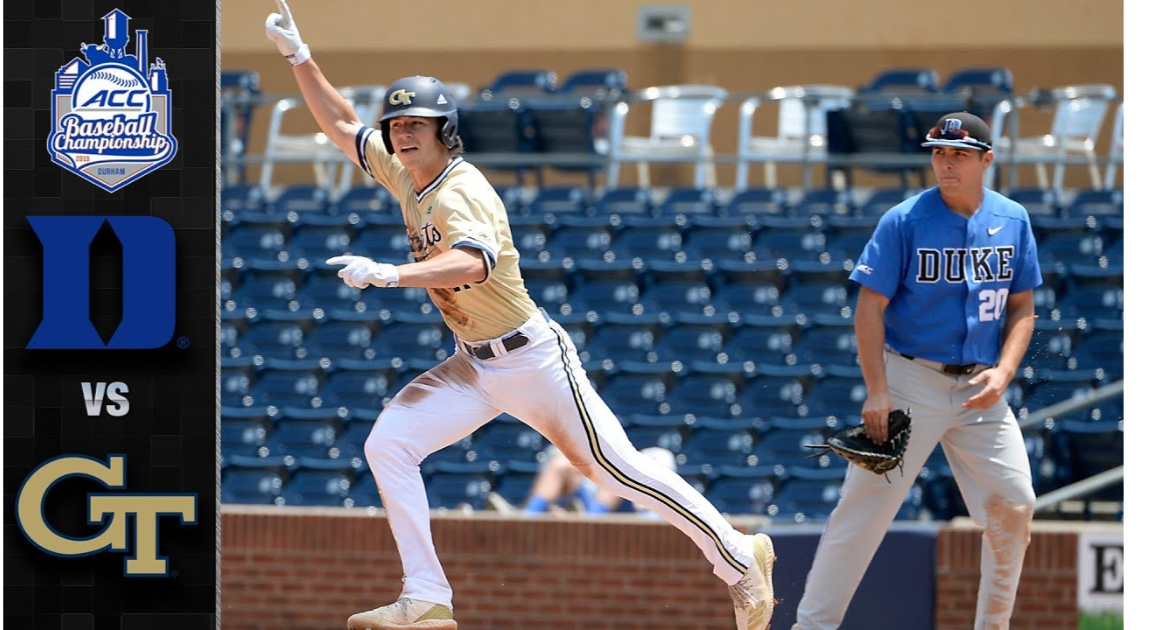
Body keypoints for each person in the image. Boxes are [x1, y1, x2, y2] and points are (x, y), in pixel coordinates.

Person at [262, 3, 777, 629]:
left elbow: (472, 263)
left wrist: (393, 273)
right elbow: (343, 124)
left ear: (444, 129)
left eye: (417, 123)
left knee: (618, 474)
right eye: (397, 122)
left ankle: (738, 555)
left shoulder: (461, 186)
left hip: (531, 358)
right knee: (388, 443)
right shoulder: (404, 173)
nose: (402, 132)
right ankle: (426, 597)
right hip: (473, 365)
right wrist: (299, 57)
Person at [791, 112, 1041, 630]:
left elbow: (1023, 308)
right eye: (939, 153)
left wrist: (1006, 372)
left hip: (981, 386)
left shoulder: (1013, 219)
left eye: (960, 155)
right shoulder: (904, 220)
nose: (946, 164)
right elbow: (867, 308)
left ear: (986, 160)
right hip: (911, 379)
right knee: (862, 515)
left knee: (1015, 507)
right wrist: (877, 390)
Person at [523, 446, 679, 518]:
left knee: (617, 481)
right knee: (561, 465)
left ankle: (585, 525)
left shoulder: (676, 511)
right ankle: (527, 520)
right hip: (593, 513)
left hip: (608, 529)